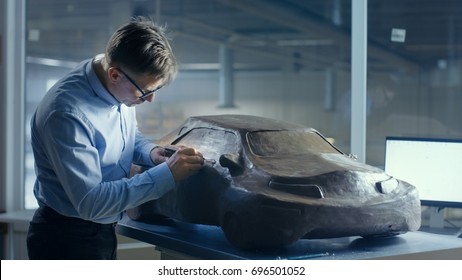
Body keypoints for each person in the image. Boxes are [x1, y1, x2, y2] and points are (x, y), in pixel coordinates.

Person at [26, 17, 205, 260]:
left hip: (99, 231)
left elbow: (127, 136)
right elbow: (92, 202)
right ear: (114, 74)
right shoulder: (66, 114)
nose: (149, 100)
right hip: (65, 241)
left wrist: (151, 153)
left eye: (155, 90)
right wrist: (168, 175)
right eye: (145, 92)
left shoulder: (115, 79)